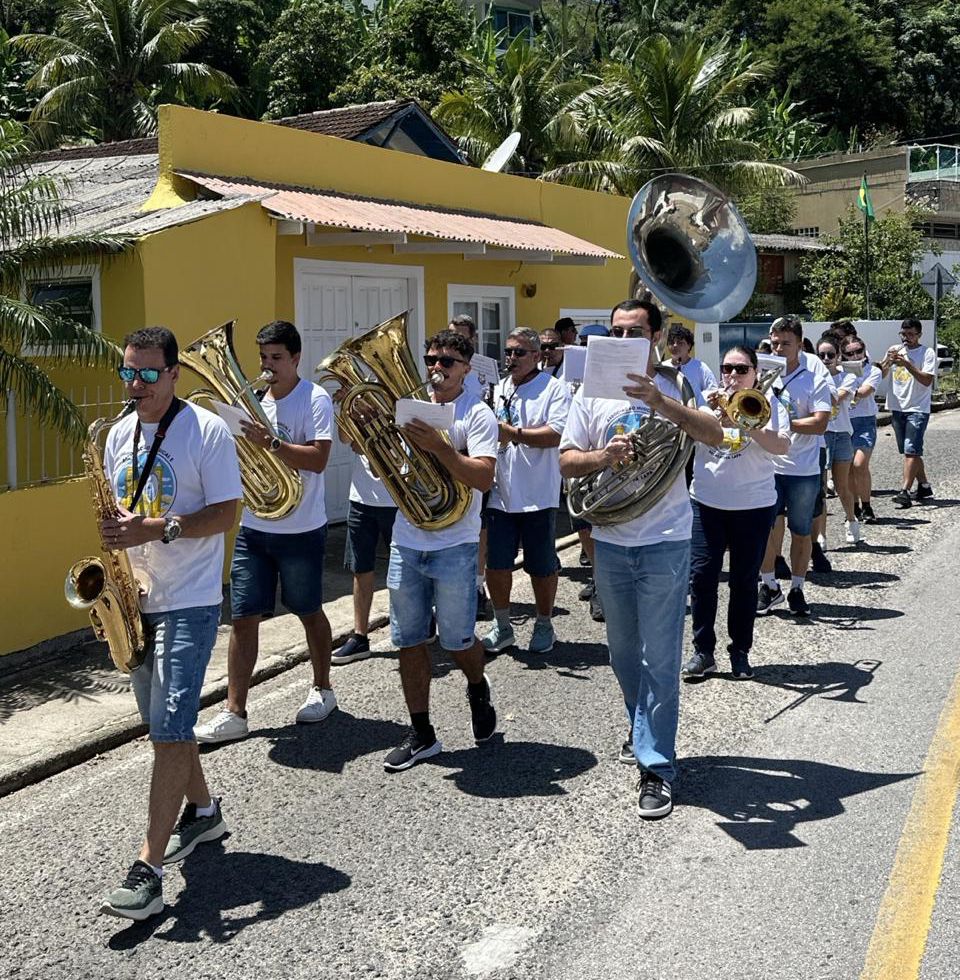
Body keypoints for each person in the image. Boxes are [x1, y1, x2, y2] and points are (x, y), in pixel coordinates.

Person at [99, 327, 242, 920]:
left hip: (191, 596)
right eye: (128, 373)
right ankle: (204, 814)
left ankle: (150, 868)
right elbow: (117, 513)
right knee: (166, 725)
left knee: (170, 727)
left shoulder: (205, 430)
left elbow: (228, 511)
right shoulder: (117, 434)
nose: (136, 385)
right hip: (138, 600)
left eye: (148, 374)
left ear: (174, 373)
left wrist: (156, 529)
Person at [560, 299, 723, 819]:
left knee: (660, 656)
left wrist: (661, 401)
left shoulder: (677, 385)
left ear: (654, 336)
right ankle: (644, 729)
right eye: (616, 331)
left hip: (667, 537)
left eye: (634, 331)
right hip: (611, 537)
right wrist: (605, 455)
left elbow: (716, 434)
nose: (623, 338)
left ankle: (657, 766)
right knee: (623, 654)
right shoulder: (590, 393)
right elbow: (567, 461)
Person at [195, 320, 335, 745]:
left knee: (308, 610)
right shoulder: (253, 401)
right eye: (263, 359)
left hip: (302, 528)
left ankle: (322, 688)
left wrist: (270, 443)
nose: (268, 367)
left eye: (276, 358)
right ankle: (235, 710)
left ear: (296, 358)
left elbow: (318, 460)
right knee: (242, 618)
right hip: (256, 526)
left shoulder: (315, 399)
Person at [382, 328, 499, 772]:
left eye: (448, 362)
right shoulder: (411, 408)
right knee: (408, 640)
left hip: (455, 542)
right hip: (407, 538)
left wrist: (441, 447)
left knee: (456, 640)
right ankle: (422, 732)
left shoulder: (478, 414)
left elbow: (484, 478)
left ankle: (476, 681)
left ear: (467, 369)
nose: (437, 368)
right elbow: (389, 470)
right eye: (431, 359)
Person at [684, 345, 789, 680]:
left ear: (755, 373)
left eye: (741, 369)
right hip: (706, 502)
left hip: (754, 505)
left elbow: (782, 446)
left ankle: (740, 650)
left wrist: (745, 420)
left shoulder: (769, 404)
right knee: (701, 578)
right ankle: (704, 652)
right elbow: (685, 439)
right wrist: (713, 416)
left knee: (744, 582)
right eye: (727, 368)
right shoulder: (704, 402)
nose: (732, 375)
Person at [482, 328, 571, 654]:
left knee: (542, 565)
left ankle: (544, 622)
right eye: (508, 352)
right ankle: (503, 625)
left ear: (537, 356)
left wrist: (512, 433)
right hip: (500, 492)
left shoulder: (554, 388)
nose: (512, 358)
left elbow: (557, 434)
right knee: (497, 564)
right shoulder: (499, 387)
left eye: (520, 352)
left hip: (537, 494)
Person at [757, 316, 831, 617]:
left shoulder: (814, 377)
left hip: (802, 468)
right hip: (768, 465)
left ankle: (797, 588)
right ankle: (770, 585)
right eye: (775, 342)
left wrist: (784, 424)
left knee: (801, 531)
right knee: (765, 529)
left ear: (800, 344)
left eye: (785, 343)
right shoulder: (762, 374)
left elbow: (820, 423)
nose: (778, 348)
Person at [330, 450, 398, 665]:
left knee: (405, 567)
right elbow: (345, 436)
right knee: (360, 569)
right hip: (360, 498)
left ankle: (422, 620)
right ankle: (360, 636)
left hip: (398, 498)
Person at [450, 313, 491, 615]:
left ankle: (477, 584)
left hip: (473, 448)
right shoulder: (444, 367)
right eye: (454, 333)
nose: (459, 338)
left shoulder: (484, 369)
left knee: (478, 525)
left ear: (473, 339)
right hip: (446, 451)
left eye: (463, 335)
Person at [880, 317, 937, 508]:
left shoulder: (927, 353)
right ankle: (924, 485)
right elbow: (882, 374)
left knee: (911, 451)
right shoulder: (895, 350)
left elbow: (927, 380)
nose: (906, 338)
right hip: (897, 407)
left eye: (911, 334)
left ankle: (904, 491)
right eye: (903, 334)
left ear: (919, 335)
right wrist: (887, 361)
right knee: (908, 450)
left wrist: (908, 364)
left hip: (917, 408)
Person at [817, 333, 861, 544]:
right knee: (822, 488)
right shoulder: (813, 377)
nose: (826, 359)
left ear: (838, 356)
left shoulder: (848, 378)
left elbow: (835, 399)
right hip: (821, 434)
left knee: (842, 485)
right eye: (822, 355)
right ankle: (821, 535)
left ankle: (851, 520)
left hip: (842, 433)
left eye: (830, 355)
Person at [842, 335, 883, 523]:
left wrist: (846, 391)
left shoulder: (873, 370)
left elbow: (866, 391)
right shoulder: (839, 371)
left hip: (865, 422)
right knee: (848, 468)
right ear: (843, 354)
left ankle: (867, 505)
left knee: (860, 464)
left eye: (859, 351)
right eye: (850, 353)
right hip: (845, 422)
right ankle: (855, 506)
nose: (855, 356)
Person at [666, 324, 717, 405]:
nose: (675, 345)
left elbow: (713, 392)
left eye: (680, 343)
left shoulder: (700, 368)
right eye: (672, 342)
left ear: (689, 346)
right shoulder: (663, 368)